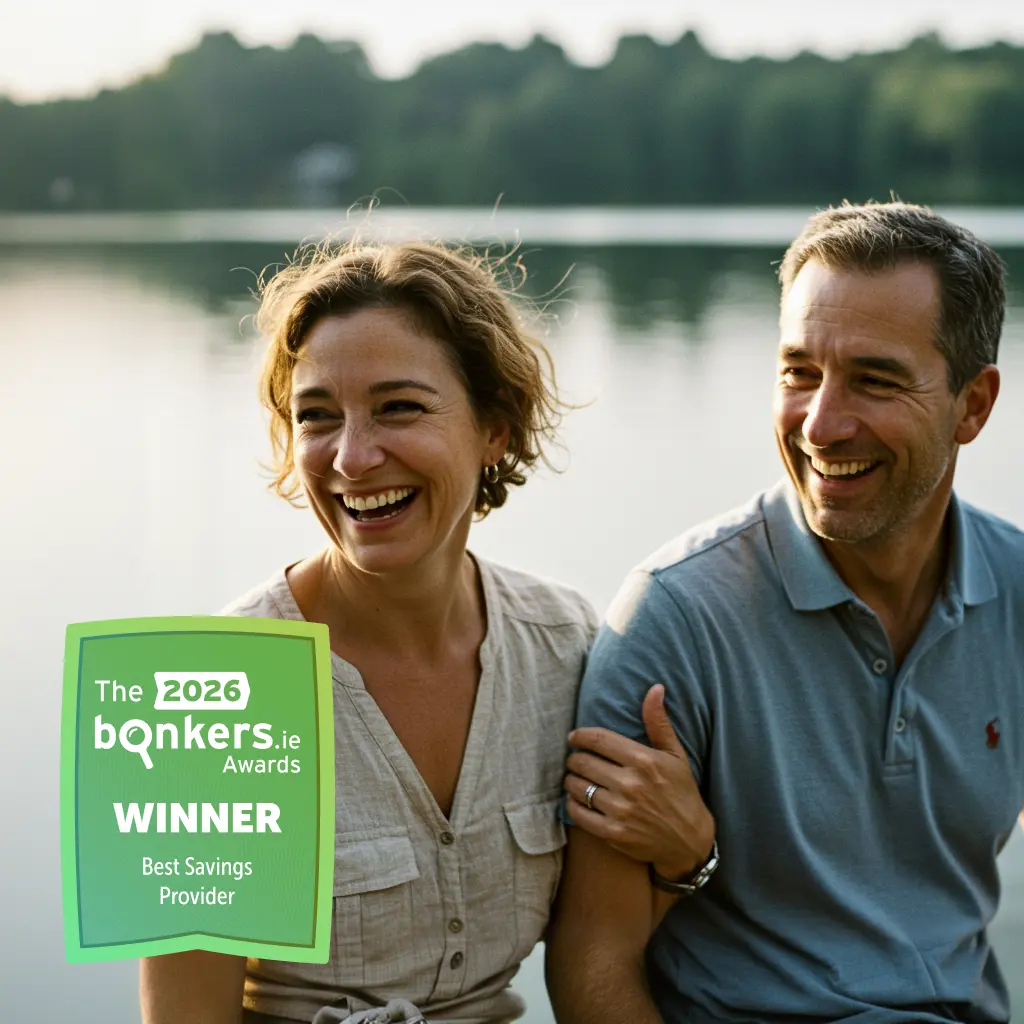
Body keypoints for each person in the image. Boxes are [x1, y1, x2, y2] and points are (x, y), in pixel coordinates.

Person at [139, 240, 693, 1024]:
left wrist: (686, 857)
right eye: (317, 417)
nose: (353, 457)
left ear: (494, 428)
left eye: (399, 407)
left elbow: (604, 948)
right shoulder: (210, 694)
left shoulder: (569, 643)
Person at [547, 201, 1020, 1024]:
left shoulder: (1016, 590)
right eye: (799, 371)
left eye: (874, 380)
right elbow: (593, 966)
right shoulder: (674, 617)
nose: (821, 424)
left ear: (972, 406)